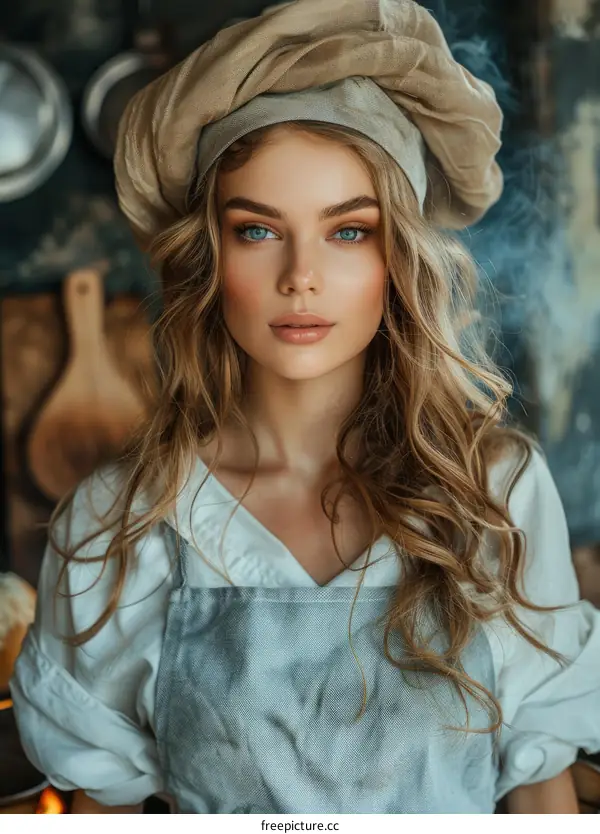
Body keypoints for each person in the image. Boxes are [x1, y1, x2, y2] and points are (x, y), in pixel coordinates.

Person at [9, 0, 600, 815]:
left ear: (399, 258)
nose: (301, 278)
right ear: (207, 256)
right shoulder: (121, 524)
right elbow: (100, 810)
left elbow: (539, 785)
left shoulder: (494, 493)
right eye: (257, 231)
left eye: (348, 231)